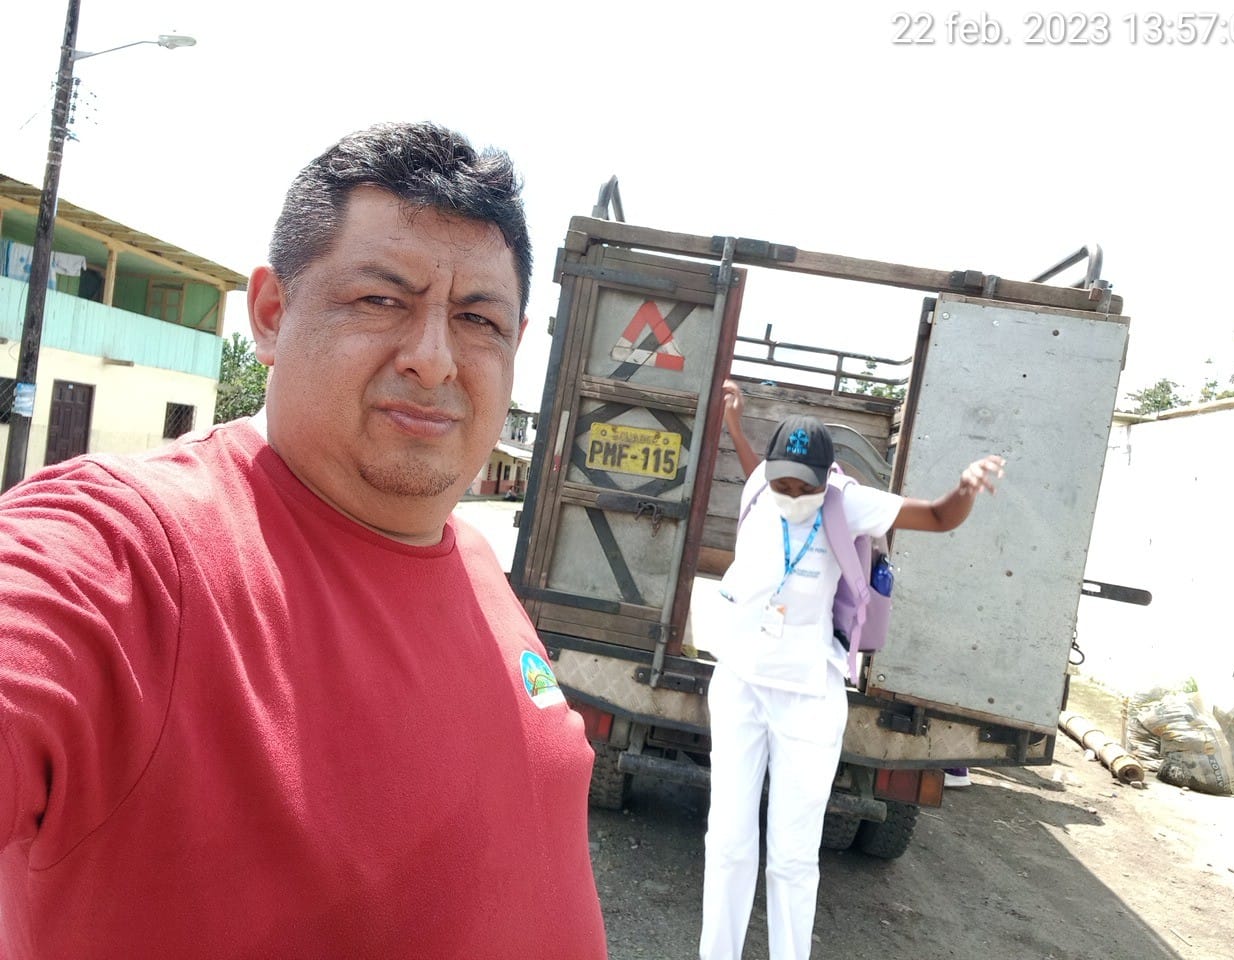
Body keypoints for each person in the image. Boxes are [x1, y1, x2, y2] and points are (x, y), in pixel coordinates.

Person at [0, 121, 608, 959]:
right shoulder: (130, 551)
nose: (435, 359)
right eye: (381, 300)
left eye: (478, 319)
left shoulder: (470, 556)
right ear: (272, 315)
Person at [700, 380, 1005, 960]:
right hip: (739, 685)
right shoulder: (762, 485)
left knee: (791, 856)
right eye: (783, 483)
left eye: (805, 487)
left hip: (808, 701)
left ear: (826, 478)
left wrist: (965, 487)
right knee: (728, 843)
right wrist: (736, 425)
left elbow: (938, 517)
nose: (792, 495)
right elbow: (753, 467)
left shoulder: (848, 503)